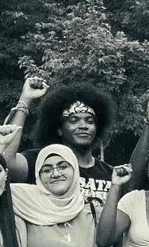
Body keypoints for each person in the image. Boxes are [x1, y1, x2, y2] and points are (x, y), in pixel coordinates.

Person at [19, 82, 118, 212]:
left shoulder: (111, 174)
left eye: (89, 121)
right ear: (59, 129)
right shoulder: (42, 162)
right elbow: (5, 160)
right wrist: (25, 99)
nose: (83, 126)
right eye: (73, 120)